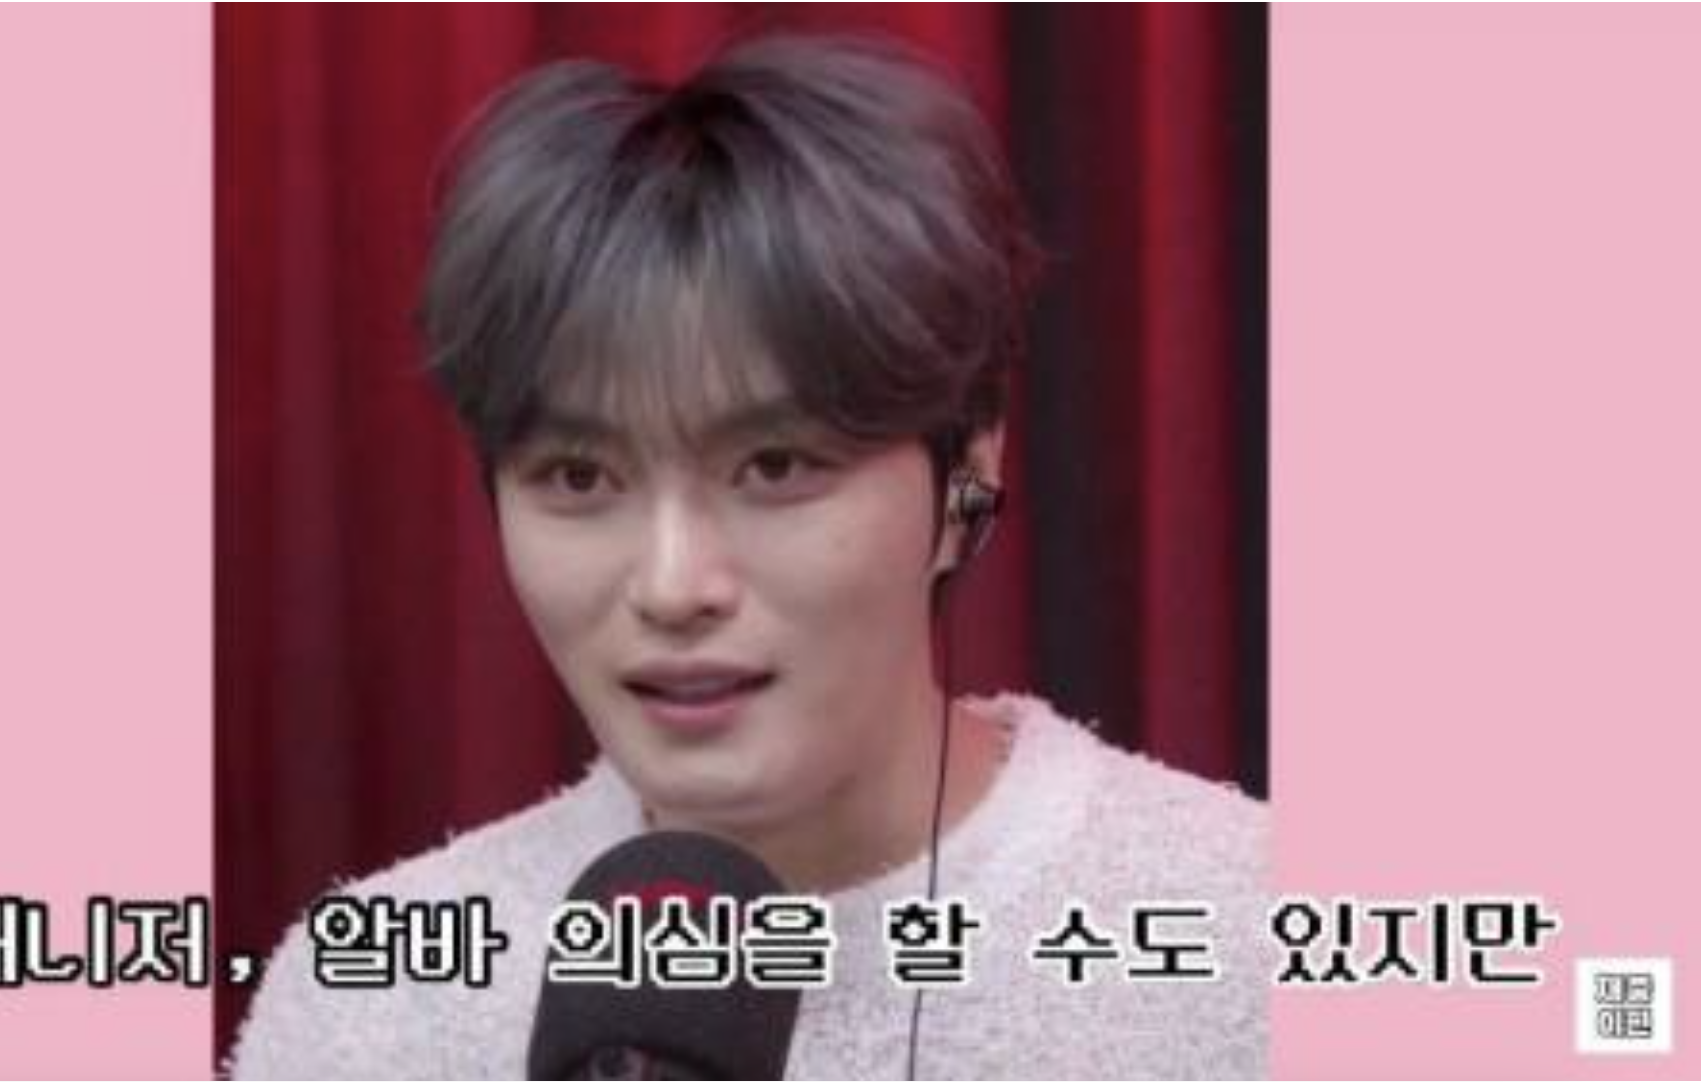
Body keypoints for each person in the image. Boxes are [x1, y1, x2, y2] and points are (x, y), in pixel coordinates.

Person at [231, 33, 1268, 1080]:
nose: (673, 587)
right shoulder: (371, 1004)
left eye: (774, 466)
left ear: (967, 475)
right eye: (580, 478)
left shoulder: (1247, 943)